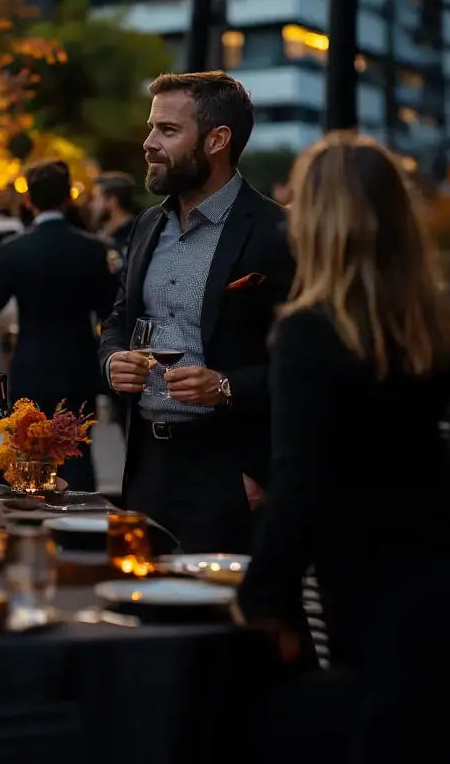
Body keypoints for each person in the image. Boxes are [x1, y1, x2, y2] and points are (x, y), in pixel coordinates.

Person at [234, 131, 450, 762]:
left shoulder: (308, 334)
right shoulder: (430, 334)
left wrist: (257, 602)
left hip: (383, 617)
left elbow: (298, 482)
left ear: (320, 221)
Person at [100, 70, 294, 553]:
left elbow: (309, 365)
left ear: (217, 140)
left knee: (226, 624)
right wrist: (112, 360)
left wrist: (227, 389)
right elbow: (119, 321)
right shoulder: (147, 225)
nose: (148, 143)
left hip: (230, 472)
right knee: (143, 612)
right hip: (145, 465)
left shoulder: (279, 233)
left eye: (167, 131)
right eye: (151, 128)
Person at [0, 160, 118, 492]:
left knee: (30, 454)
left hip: (32, 364)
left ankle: (32, 528)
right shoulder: (92, 249)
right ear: (67, 199)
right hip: (78, 363)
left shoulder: (14, 251)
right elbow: (109, 310)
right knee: (77, 450)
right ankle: (79, 526)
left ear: (29, 201)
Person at [89, 172, 138, 257]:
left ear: (112, 201)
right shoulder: (100, 235)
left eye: (96, 198)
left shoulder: (135, 238)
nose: (91, 205)